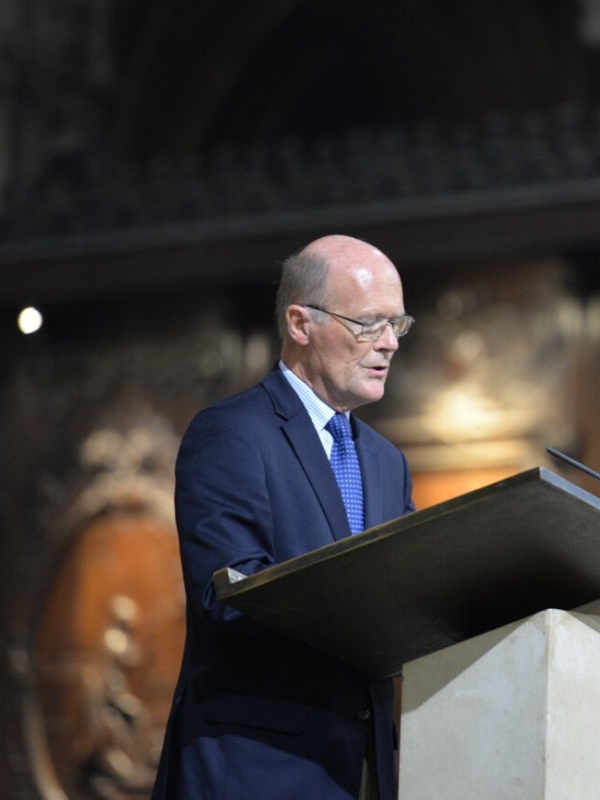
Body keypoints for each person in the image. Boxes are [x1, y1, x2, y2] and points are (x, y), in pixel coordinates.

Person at [152, 234, 416, 800]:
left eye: (397, 324)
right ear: (300, 323)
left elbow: (410, 597)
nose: (389, 343)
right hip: (257, 771)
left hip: (363, 774)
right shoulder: (233, 434)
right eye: (370, 323)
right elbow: (228, 601)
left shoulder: (387, 462)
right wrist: (368, 610)